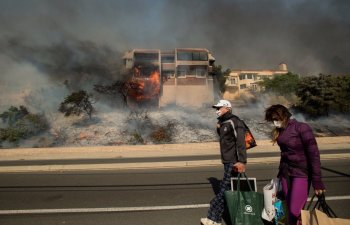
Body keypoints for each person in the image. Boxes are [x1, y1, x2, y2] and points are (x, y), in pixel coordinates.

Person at [264, 104, 326, 225]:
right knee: (285, 210)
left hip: (301, 173)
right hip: (286, 174)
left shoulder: (302, 128)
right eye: (272, 120)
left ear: (285, 116)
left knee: (294, 212)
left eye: (276, 118)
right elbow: (284, 154)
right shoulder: (281, 131)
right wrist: (279, 175)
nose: (274, 122)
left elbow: (314, 154)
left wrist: (317, 181)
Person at [201, 99, 247, 225]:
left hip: (234, 161)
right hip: (227, 160)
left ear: (227, 108)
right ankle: (221, 218)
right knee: (227, 190)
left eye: (219, 108)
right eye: (217, 108)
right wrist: (218, 127)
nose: (217, 110)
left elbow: (241, 142)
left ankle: (213, 219)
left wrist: (242, 161)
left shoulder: (235, 121)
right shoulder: (224, 122)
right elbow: (225, 139)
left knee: (222, 193)